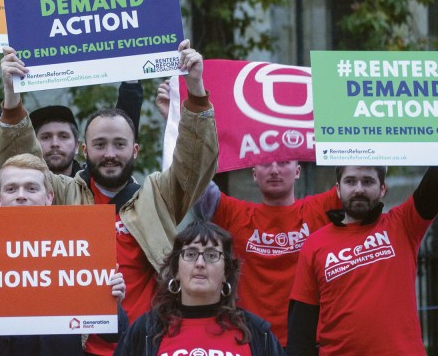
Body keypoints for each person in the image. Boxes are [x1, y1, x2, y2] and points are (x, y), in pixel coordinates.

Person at [0, 40, 218, 355]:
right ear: (84, 150)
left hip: (146, 343)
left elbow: (194, 163)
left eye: (119, 144)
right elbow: (20, 165)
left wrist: (195, 89)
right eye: (100, 144)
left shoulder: (158, 195)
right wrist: (10, 93)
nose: (110, 154)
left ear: (135, 150)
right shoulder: (60, 192)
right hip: (74, 344)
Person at [157, 81, 342, 345]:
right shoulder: (234, 214)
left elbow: (359, 173)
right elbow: (193, 178)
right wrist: (175, 120)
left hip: (308, 343)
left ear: (298, 171)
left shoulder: (321, 209)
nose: (275, 169)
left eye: (285, 161)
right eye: (266, 163)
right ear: (254, 173)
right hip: (249, 340)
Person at [0, 153, 127, 356]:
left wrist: (112, 299)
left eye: (31, 188)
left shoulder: (77, 250)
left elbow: (114, 333)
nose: (21, 195)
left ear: (49, 197)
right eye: (11, 188)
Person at [287, 166, 438, 355]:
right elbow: (301, 331)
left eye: (368, 181)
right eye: (350, 181)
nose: (359, 189)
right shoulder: (314, 244)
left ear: (382, 188)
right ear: (338, 189)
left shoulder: (403, 223)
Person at [0, 26, 143, 186]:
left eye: (63, 136)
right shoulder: (17, 183)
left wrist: (131, 67)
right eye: (45, 137)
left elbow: (123, 127)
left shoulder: (95, 185)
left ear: (79, 147)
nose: (55, 143)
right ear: (33, 146)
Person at [115, 221, 284, 355]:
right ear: (176, 270)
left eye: (211, 255)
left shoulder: (257, 331)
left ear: (226, 272)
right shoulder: (145, 329)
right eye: (190, 254)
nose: (200, 264)